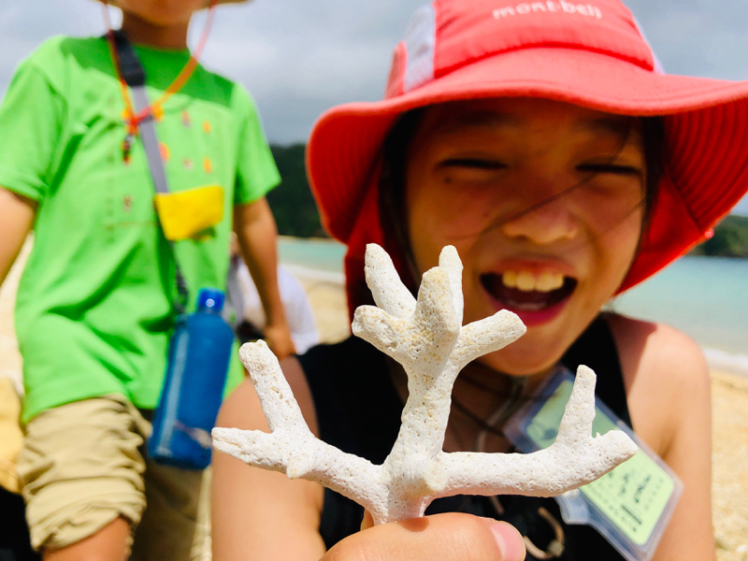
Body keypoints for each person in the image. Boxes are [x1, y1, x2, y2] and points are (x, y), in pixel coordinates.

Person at [211, 0, 748, 560]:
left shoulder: (661, 378)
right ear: (394, 189)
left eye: (605, 169)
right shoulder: (283, 419)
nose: (544, 225)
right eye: (479, 162)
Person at [0, 0, 295, 559]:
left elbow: (254, 217)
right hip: (76, 349)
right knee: (89, 529)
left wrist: (278, 323)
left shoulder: (230, 102)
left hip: (194, 373)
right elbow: (10, 199)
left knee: (174, 543)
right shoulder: (59, 68)